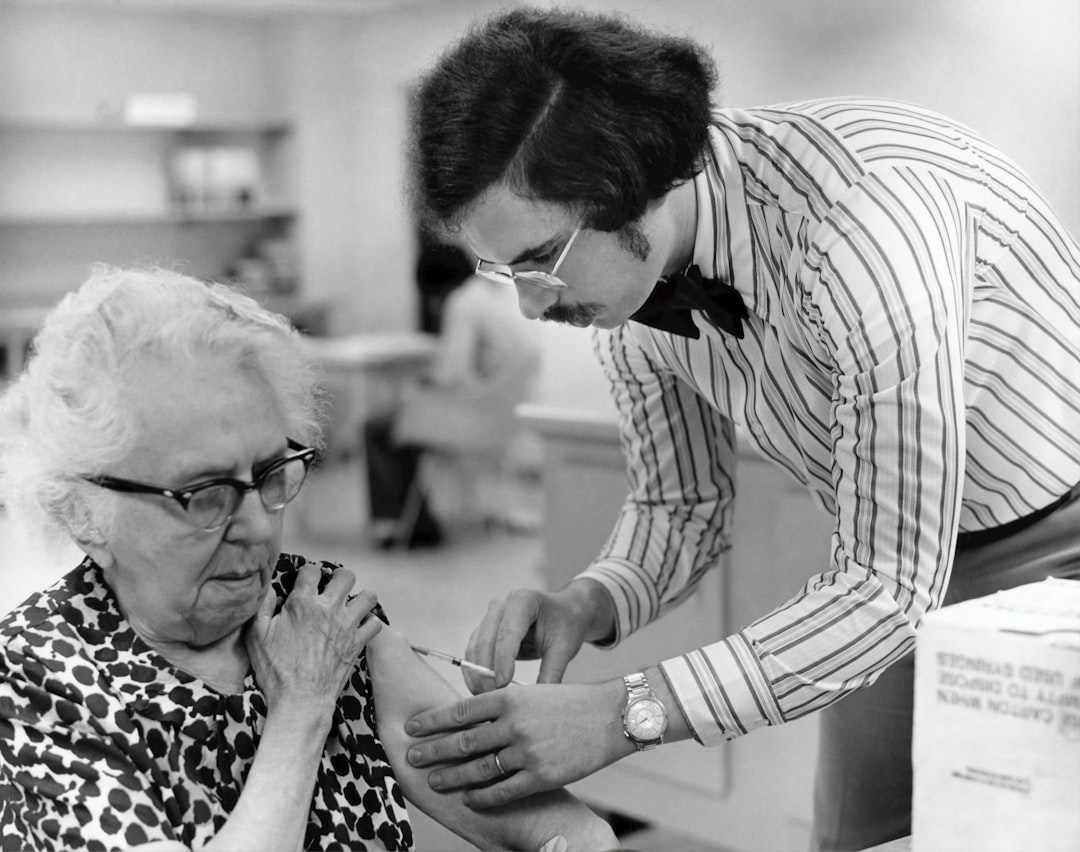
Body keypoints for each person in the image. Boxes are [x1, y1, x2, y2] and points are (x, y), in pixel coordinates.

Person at [397, 7, 1080, 850]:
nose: (530, 307)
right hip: (891, 561)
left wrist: (625, 712)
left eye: (539, 260)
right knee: (856, 838)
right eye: (501, 270)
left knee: (1023, 831)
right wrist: (590, 598)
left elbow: (884, 590)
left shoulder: (863, 230)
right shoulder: (630, 289)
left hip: (1060, 540)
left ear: (640, 181)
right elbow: (680, 505)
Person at [0, 266, 616, 852]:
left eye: (269, 474)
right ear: (84, 513)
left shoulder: (310, 604)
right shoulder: (33, 686)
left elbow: (531, 811)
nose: (256, 525)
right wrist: (301, 707)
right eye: (203, 494)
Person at [364, 243, 542, 547]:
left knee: (379, 426)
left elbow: (452, 374)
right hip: (501, 417)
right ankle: (412, 520)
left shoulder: (461, 303)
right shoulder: (492, 295)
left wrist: (421, 382)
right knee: (399, 420)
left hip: (471, 419)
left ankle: (399, 526)